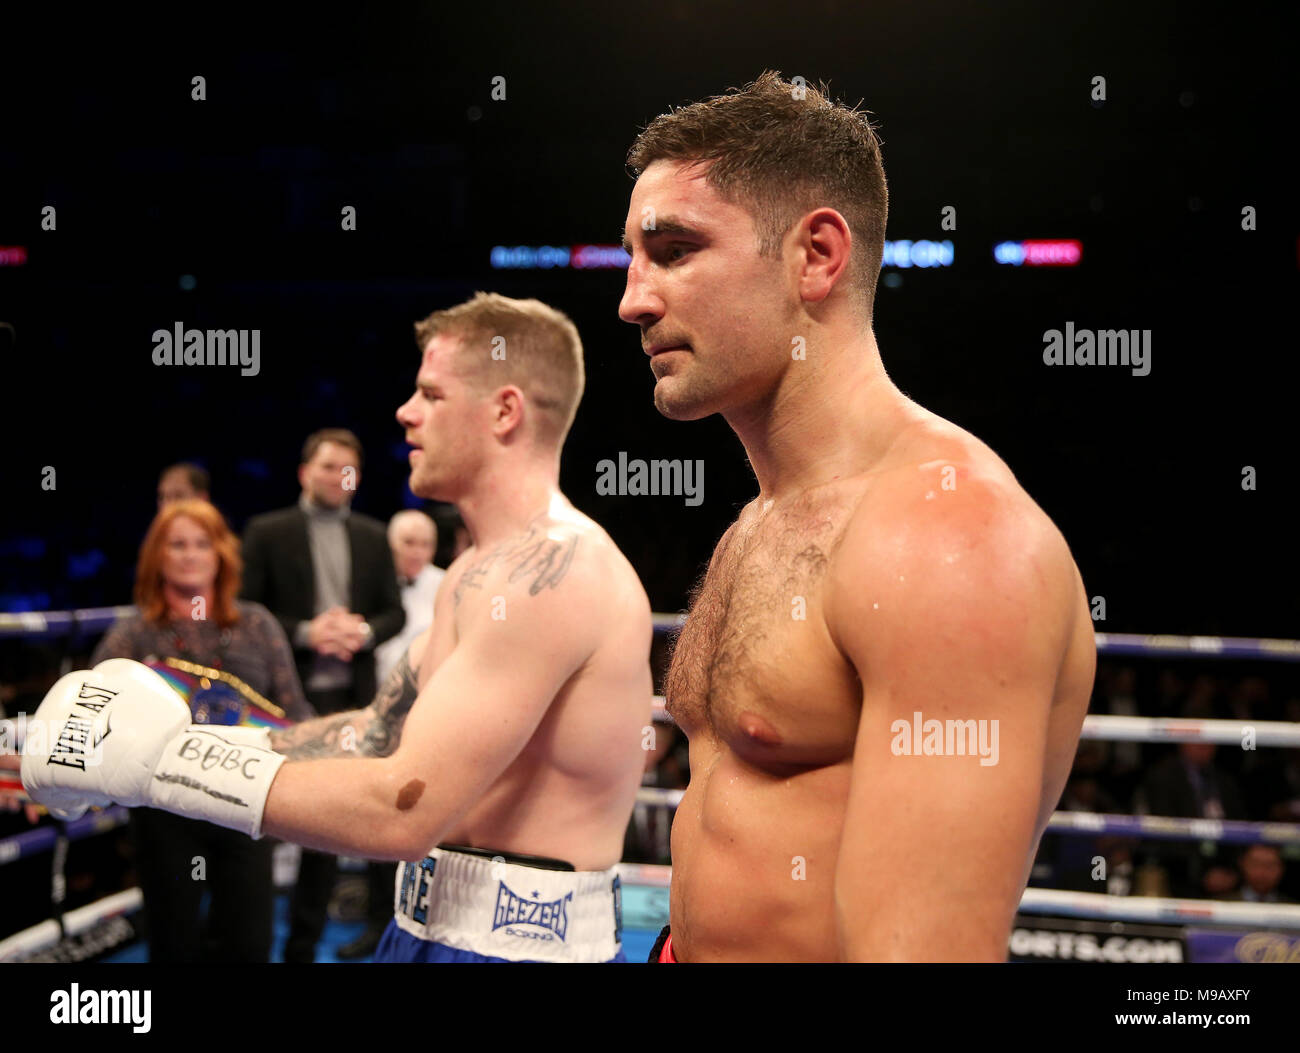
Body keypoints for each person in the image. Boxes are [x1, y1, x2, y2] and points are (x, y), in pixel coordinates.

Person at [14, 293, 653, 964]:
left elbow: (402, 811)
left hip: (522, 948)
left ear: (504, 410)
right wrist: (192, 737)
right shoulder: (474, 570)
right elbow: (375, 733)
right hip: (423, 927)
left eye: (431, 394)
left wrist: (162, 765)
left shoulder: (557, 571)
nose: (405, 411)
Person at [618, 71, 1096, 961]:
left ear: (817, 256)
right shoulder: (761, 519)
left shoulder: (950, 538)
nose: (633, 300)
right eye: (635, 260)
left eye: (675, 250)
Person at [91, 499, 315, 962]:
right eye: (177, 545)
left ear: (221, 554)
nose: (190, 554)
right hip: (165, 812)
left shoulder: (257, 624)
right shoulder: (135, 634)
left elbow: (295, 711)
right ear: (158, 556)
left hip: (245, 806)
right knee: (174, 944)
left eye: (201, 543)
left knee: (249, 944)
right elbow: (89, 707)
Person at [239, 428, 406, 962]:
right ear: (304, 472)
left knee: (353, 815)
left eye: (350, 469)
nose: (341, 478)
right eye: (331, 467)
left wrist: (362, 633)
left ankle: (370, 933)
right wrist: (310, 632)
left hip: (358, 699)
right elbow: (246, 612)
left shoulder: (373, 535)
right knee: (274, 816)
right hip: (281, 701)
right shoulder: (268, 532)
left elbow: (393, 612)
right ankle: (289, 944)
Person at [339, 509, 445, 959]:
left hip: (436, 721)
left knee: (430, 821)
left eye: (424, 543)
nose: (416, 552)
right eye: (407, 543)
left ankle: (433, 920)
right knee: (377, 817)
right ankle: (378, 919)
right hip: (375, 718)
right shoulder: (367, 585)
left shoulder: (450, 585)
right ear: (390, 545)